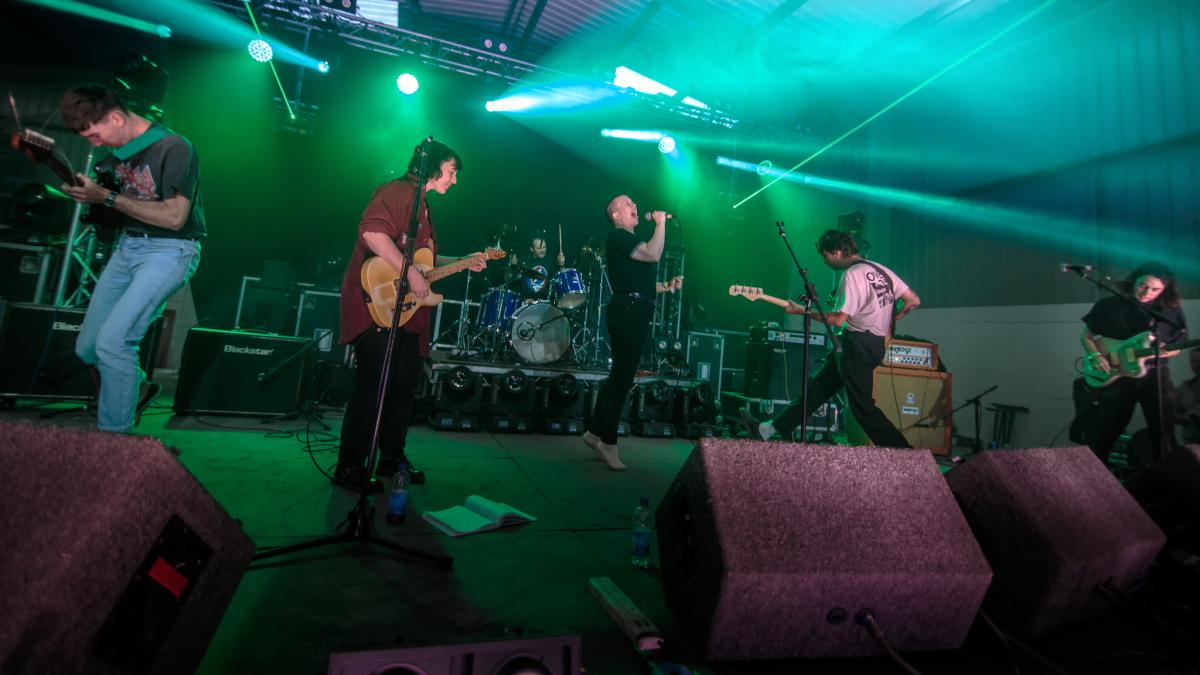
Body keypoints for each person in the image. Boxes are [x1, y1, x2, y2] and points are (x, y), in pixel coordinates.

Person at [335, 140, 487, 492]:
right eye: (451, 171)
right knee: (372, 389)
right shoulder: (398, 192)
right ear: (432, 167)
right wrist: (411, 272)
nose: (455, 180)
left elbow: (424, 266)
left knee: (403, 388)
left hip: (407, 314)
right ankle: (350, 467)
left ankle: (391, 459)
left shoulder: (424, 209)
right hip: (378, 306)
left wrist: (463, 261)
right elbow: (372, 233)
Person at [59, 84, 204, 433]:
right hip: (128, 248)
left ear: (115, 117)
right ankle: (137, 386)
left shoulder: (174, 147)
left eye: (95, 134)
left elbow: (174, 218)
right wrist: (91, 198)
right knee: (89, 347)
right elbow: (114, 214)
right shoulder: (114, 157)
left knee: (115, 342)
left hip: (169, 251)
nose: (94, 143)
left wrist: (107, 198)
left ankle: (113, 443)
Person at [741, 229, 919, 447]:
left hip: (858, 345)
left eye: (825, 256)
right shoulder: (882, 271)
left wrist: (801, 311)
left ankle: (905, 453)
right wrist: (892, 317)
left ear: (836, 252)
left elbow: (838, 319)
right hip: (870, 343)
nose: (825, 262)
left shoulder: (852, 275)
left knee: (863, 408)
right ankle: (767, 429)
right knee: (818, 389)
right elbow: (913, 300)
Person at [582, 195, 683, 470]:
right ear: (616, 215)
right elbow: (653, 253)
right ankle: (608, 442)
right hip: (627, 311)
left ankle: (594, 434)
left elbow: (639, 281)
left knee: (619, 378)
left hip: (634, 308)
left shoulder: (629, 243)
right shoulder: (618, 237)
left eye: (633, 203)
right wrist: (660, 223)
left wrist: (665, 286)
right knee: (623, 379)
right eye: (627, 204)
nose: (634, 206)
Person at [1078, 262, 1187, 464]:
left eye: (1155, 289)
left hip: (1156, 376)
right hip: (1117, 374)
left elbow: (1179, 344)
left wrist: (1167, 352)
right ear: (1133, 281)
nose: (1147, 292)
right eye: (1142, 286)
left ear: (1165, 290)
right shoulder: (1108, 305)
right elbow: (1086, 336)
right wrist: (1096, 356)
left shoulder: (1170, 310)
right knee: (1107, 430)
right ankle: (1094, 475)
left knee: (1162, 431)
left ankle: (1164, 481)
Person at [1176, 351, 1200, 444]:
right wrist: (1189, 419)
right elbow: (1172, 415)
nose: (1197, 365)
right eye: (1193, 362)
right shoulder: (1183, 389)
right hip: (1192, 443)